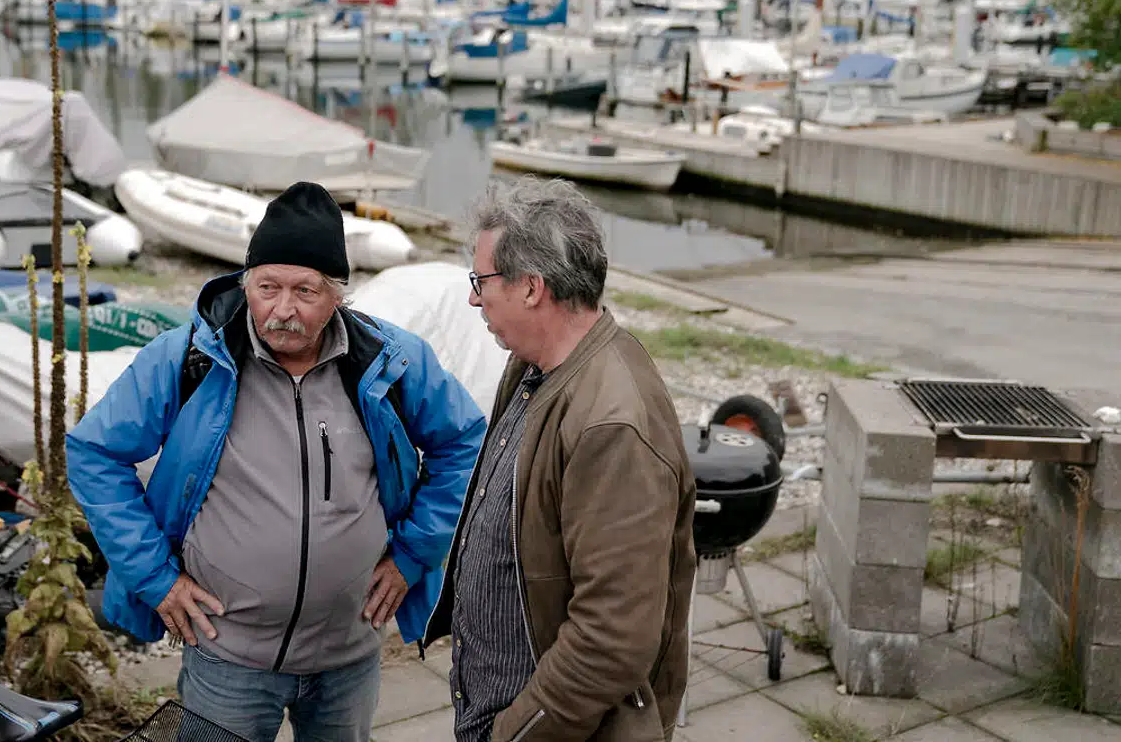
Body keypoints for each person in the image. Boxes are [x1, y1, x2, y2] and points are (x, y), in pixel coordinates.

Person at [66, 181, 486, 742]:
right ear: (247, 284)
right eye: (267, 287)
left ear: (337, 295)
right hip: (227, 658)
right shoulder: (190, 357)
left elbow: (464, 443)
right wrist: (156, 578)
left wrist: (414, 553)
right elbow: (94, 453)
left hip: (349, 655)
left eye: (304, 291)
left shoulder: (389, 360)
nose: (283, 310)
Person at [422, 176, 698, 742]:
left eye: (480, 282)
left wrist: (513, 732)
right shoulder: (534, 366)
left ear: (531, 287)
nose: (473, 299)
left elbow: (610, 639)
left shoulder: (611, 425)